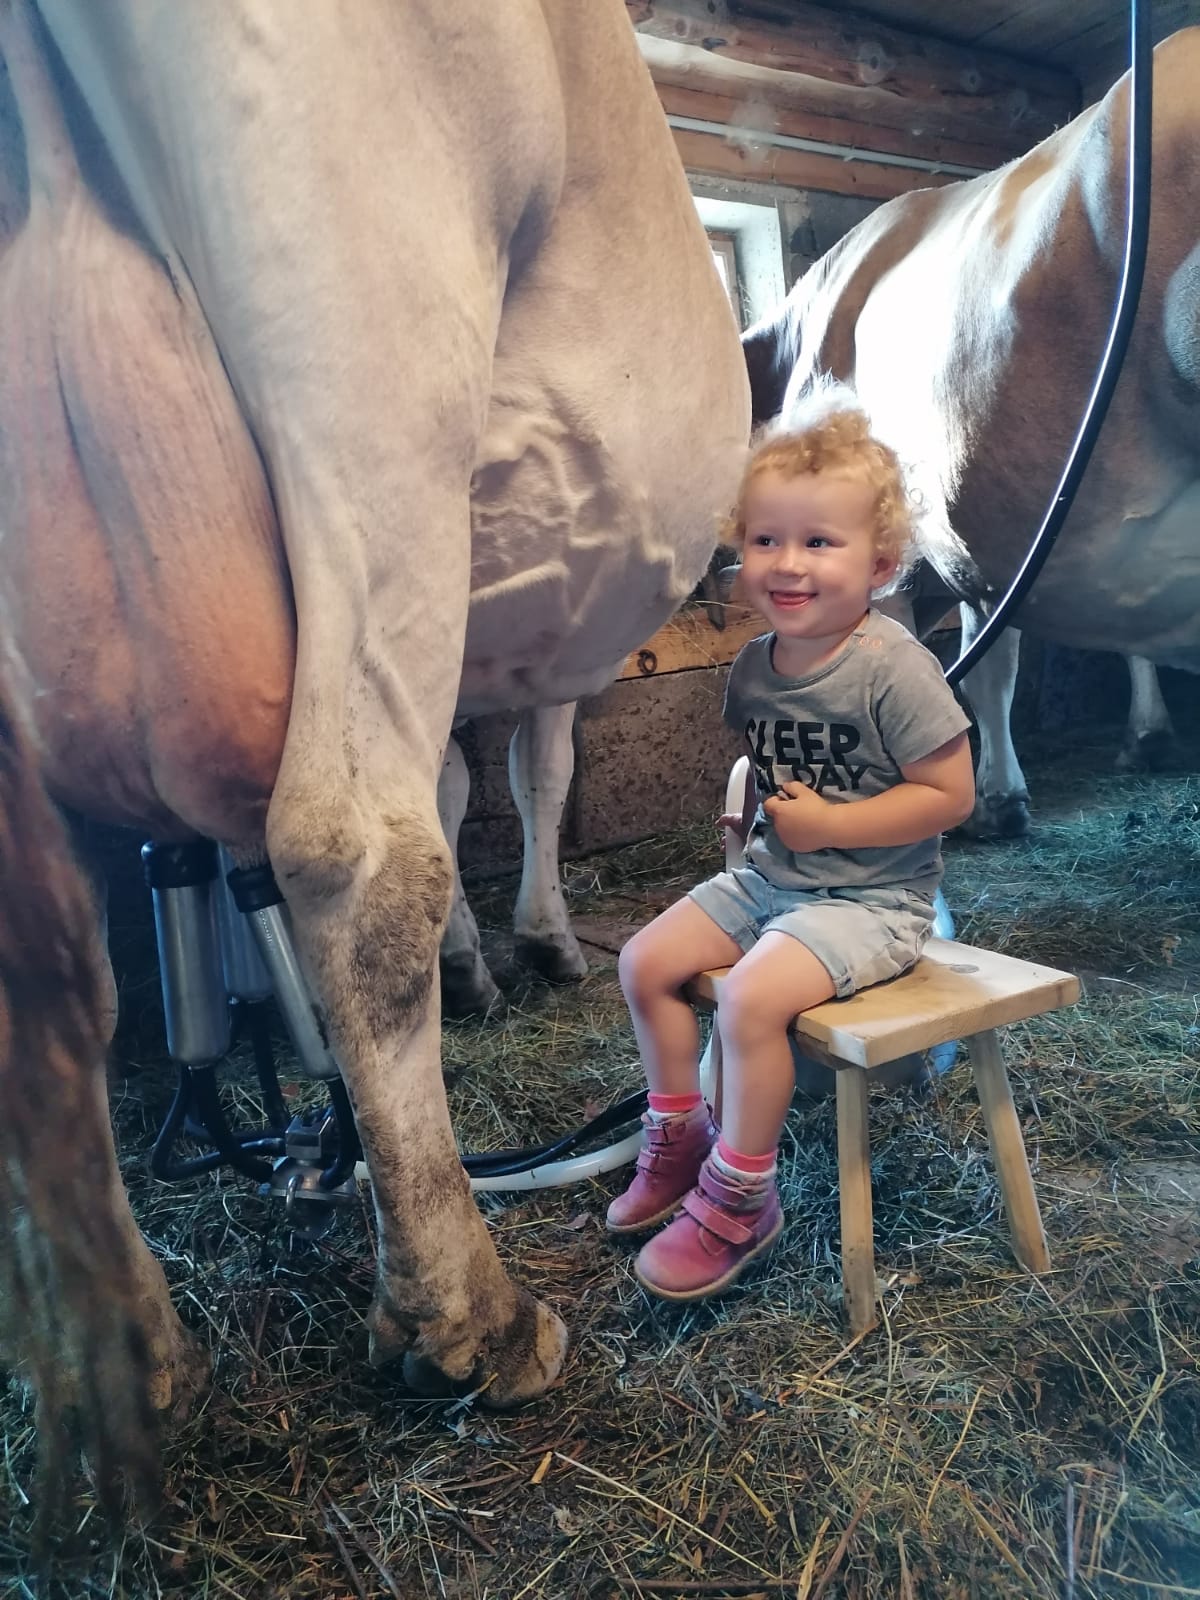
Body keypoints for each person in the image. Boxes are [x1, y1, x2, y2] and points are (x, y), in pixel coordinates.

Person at [607, 386, 975, 1301]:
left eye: (819, 542)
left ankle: (742, 1197)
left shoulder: (894, 668)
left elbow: (952, 795)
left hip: (873, 903)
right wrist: (757, 820)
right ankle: (680, 1134)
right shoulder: (754, 668)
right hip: (775, 880)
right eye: (767, 539)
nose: (788, 563)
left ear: (880, 563)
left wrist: (833, 827)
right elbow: (781, 772)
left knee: (748, 1002)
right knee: (645, 962)